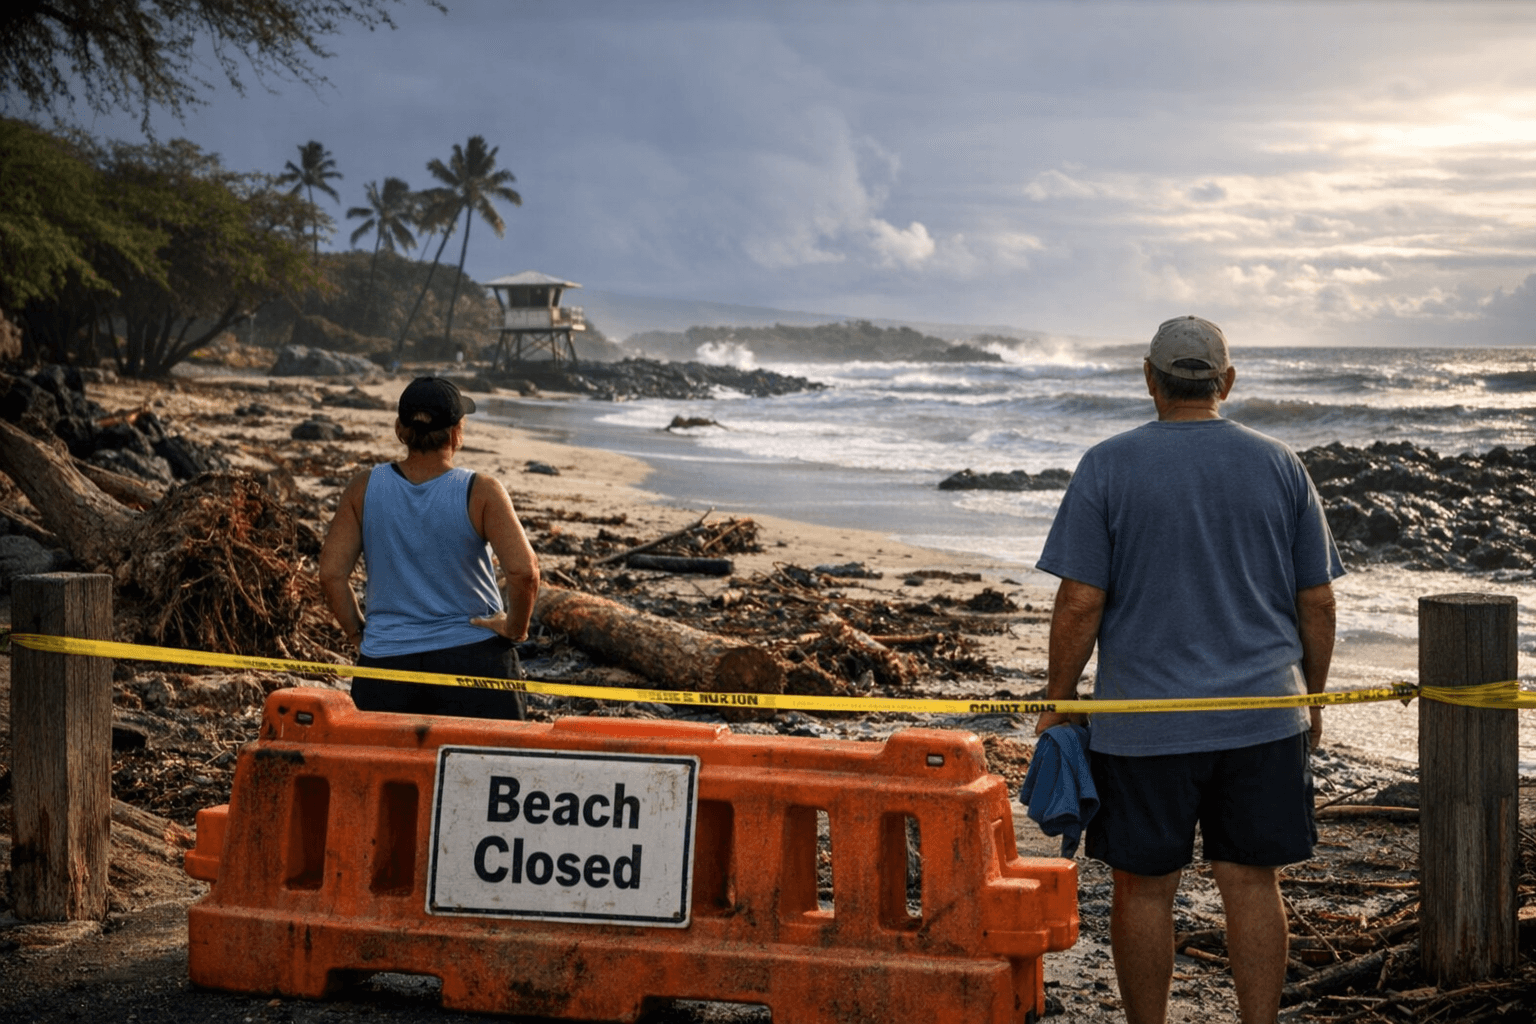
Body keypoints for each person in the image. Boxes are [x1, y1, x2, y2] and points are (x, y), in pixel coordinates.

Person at [1034, 316, 1342, 1024]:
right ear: (1226, 382)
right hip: (1262, 718)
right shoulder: (1280, 465)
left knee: (1143, 890)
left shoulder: (1107, 465)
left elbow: (1081, 601)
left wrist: (1059, 700)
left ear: (1150, 379)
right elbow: (1317, 601)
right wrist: (1312, 699)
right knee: (1252, 883)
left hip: (1142, 727)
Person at [319, 376, 541, 719]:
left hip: (386, 666)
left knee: (386, 771)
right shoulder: (481, 491)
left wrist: (358, 635)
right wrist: (516, 628)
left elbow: (332, 574)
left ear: (400, 430)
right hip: (474, 658)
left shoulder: (363, 488)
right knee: (486, 769)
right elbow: (524, 572)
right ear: (456, 433)